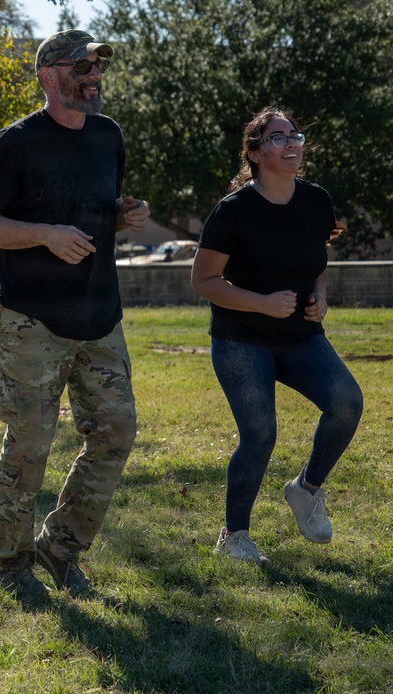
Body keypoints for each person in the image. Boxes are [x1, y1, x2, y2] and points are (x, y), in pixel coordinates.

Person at [0, 30, 149, 599]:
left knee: (116, 433)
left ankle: (61, 548)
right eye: (81, 67)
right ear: (48, 76)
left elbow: (96, 210)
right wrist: (44, 234)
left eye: (97, 66)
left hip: (100, 316)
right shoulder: (15, 144)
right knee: (29, 445)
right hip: (31, 319)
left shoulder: (108, 135)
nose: (94, 75)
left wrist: (124, 214)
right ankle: (9, 564)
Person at [192, 107, 363, 563]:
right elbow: (203, 281)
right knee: (261, 433)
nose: (291, 144)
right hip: (241, 338)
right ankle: (234, 537)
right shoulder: (233, 212)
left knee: (347, 403)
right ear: (254, 153)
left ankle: (306, 488)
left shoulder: (316, 200)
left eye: (295, 136)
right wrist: (261, 302)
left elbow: (317, 260)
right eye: (278, 137)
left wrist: (320, 295)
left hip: (300, 335)